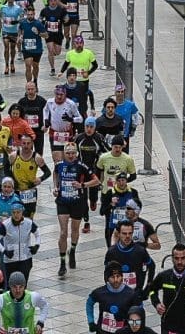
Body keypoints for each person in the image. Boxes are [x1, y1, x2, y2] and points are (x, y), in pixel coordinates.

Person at [53, 142, 99, 277]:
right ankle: (62, 263)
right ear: (64, 154)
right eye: (68, 153)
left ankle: (72, 250)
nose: (70, 155)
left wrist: (82, 185)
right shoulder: (59, 165)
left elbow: (96, 181)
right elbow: (55, 174)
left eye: (73, 153)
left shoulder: (81, 166)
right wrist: (56, 187)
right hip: (63, 201)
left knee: (74, 229)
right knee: (63, 232)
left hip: (78, 202)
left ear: (76, 154)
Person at [104, 221, 156, 300]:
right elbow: (107, 272)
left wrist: (148, 288)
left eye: (130, 233)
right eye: (124, 234)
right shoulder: (112, 252)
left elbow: (152, 266)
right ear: (118, 234)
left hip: (136, 295)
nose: (127, 236)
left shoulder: (140, 251)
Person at [85, 263, 141, 334]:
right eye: (112, 277)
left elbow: (139, 312)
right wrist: (91, 322)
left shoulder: (131, 294)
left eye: (118, 276)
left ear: (122, 277)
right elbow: (89, 304)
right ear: (107, 278)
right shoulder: (99, 292)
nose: (116, 280)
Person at [75, 117, 107, 233]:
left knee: (92, 195)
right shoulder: (79, 138)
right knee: (83, 198)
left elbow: (107, 151)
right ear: (84, 127)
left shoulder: (99, 138)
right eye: (87, 127)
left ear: (95, 128)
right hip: (82, 171)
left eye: (91, 127)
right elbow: (72, 152)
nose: (89, 129)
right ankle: (86, 221)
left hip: (94, 170)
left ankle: (93, 200)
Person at [7, 134, 50, 218]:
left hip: (30, 191)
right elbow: (6, 169)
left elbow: (48, 172)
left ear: (32, 144)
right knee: (15, 216)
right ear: (20, 143)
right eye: (24, 143)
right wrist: (12, 181)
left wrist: (40, 179)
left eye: (28, 143)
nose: (26, 146)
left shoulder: (36, 157)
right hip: (16, 190)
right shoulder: (14, 156)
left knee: (29, 217)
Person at [0, 202, 40, 282]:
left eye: (18, 212)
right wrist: (4, 251)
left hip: (25, 258)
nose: (16, 215)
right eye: (13, 212)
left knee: (23, 283)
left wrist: (36, 246)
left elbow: (37, 234)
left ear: (22, 212)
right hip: (10, 260)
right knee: (11, 284)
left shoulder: (29, 223)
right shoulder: (6, 224)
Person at [43, 85, 83, 163]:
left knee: (68, 159)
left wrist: (71, 119)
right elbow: (45, 110)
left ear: (65, 94)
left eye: (61, 94)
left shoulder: (70, 104)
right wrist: (46, 119)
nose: (59, 97)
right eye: (57, 94)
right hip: (54, 133)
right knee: (57, 161)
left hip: (67, 134)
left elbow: (80, 119)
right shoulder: (50, 102)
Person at [102, 173, 142, 242]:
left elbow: (138, 208)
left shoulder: (133, 192)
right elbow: (102, 211)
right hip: (114, 225)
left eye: (123, 180)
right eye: (119, 181)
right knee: (112, 245)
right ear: (116, 182)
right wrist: (111, 204)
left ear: (126, 181)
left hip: (128, 225)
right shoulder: (110, 193)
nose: (121, 183)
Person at [63, 36, 98, 110]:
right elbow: (66, 63)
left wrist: (88, 73)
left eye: (81, 43)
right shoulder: (69, 53)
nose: (79, 45)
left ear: (83, 43)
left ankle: (83, 112)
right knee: (71, 98)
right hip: (73, 80)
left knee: (83, 99)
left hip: (83, 81)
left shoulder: (89, 53)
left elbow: (95, 65)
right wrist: (61, 72)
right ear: (74, 44)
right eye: (77, 43)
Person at [15, 83, 48, 155]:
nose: (30, 91)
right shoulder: (22, 102)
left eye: (32, 89)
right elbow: (17, 115)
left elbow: (48, 113)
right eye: (28, 89)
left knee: (39, 153)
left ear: (36, 89)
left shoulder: (42, 101)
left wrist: (46, 125)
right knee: (27, 152)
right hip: (26, 132)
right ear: (26, 90)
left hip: (39, 131)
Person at [17, 6, 47, 84]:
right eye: (28, 14)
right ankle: (29, 84)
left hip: (37, 49)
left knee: (35, 66)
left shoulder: (38, 23)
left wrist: (38, 33)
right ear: (26, 14)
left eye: (31, 15)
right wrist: (20, 36)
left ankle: (35, 80)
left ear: (34, 14)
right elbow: (20, 30)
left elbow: (46, 35)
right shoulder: (23, 23)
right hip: (26, 48)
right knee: (28, 66)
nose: (30, 16)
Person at [39, 0, 68, 75]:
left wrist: (66, 19)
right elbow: (40, 19)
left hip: (58, 33)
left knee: (58, 52)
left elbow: (66, 17)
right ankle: (52, 68)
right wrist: (41, 22)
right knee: (50, 50)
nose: (53, 2)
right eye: (51, 1)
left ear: (56, 1)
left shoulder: (61, 10)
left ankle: (54, 52)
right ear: (48, 2)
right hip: (48, 33)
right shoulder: (44, 10)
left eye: (54, 0)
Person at [0, 0, 24, 76]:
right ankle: (6, 65)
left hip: (14, 31)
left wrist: (17, 21)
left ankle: (12, 62)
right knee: (6, 47)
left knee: (12, 48)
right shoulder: (3, 7)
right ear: (7, 0)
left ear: (13, 0)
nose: (10, 1)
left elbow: (22, 18)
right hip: (5, 30)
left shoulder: (18, 8)